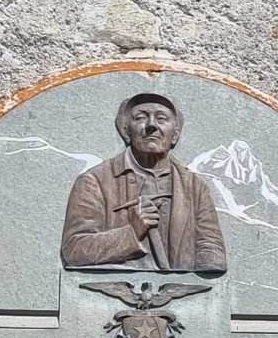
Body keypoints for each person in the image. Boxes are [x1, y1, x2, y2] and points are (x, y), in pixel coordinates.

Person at [60, 93, 227, 272]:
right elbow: (74, 251)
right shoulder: (94, 182)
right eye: (140, 118)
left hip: (181, 288)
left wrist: (201, 270)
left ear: (175, 135)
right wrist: (132, 231)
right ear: (126, 131)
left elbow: (212, 250)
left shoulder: (194, 187)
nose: (151, 125)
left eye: (161, 118)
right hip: (114, 286)